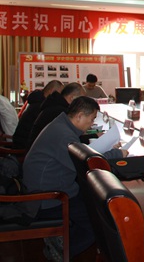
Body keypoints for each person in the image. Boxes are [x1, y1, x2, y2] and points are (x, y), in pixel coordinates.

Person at [23, 96, 127, 258]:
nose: (92, 124)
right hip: (46, 199)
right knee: (98, 222)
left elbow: (81, 155)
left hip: (50, 189)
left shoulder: (61, 125)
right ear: (79, 116)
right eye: (92, 119)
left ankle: (61, 241)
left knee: (93, 204)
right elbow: (87, 164)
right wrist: (117, 154)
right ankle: (60, 252)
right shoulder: (64, 135)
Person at [27, 83, 85, 148]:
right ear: (72, 98)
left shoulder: (54, 105)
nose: (83, 104)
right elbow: (70, 137)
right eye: (81, 100)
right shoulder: (60, 112)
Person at [12, 80, 64, 149]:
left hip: (21, 141)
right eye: (60, 94)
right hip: (25, 146)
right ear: (52, 91)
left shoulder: (36, 101)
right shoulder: (41, 106)